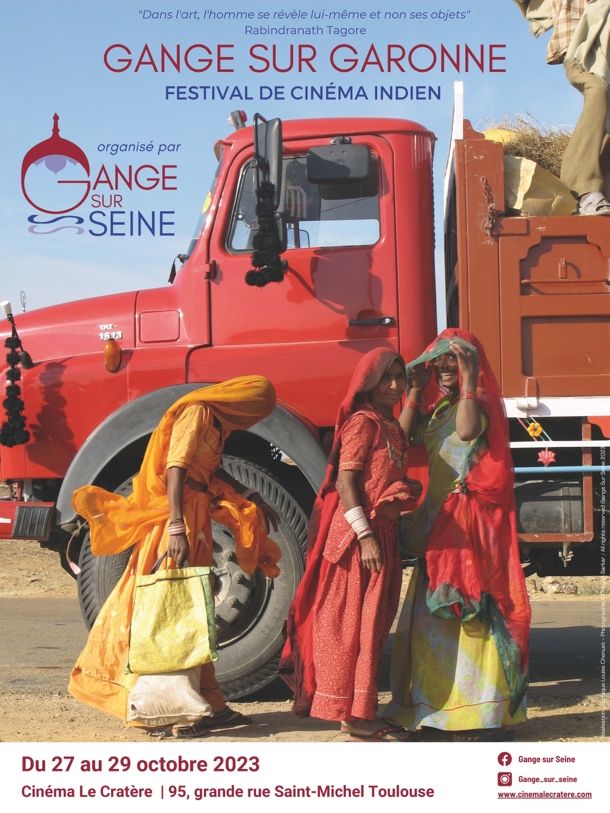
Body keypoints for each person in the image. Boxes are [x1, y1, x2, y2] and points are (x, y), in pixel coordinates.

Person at [68, 376, 280, 735]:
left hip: (195, 514)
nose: (252, 417)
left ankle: (209, 704)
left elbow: (208, 470)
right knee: (171, 613)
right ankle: (174, 713)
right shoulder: (196, 412)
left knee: (194, 610)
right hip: (176, 519)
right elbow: (175, 468)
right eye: (254, 408)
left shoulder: (216, 422)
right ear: (240, 399)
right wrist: (177, 528)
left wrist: (248, 494)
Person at [384, 329, 531, 741]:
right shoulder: (437, 409)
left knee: (465, 617)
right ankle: (435, 710)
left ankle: (474, 714)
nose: (445, 368)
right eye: (440, 361)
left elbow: (467, 434)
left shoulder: (475, 405)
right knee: (432, 620)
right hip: (437, 524)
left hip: (467, 530)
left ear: (470, 365)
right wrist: (413, 391)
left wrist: (468, 380)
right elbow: (400, 439)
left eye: (455, 360)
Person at [280, 348, 420, 741]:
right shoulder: (363, 423)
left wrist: (416, 395)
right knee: (351, 627)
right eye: (386, 378)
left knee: (372, 627)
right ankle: (354, 717)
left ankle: (359, 712)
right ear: (369, 383)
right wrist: (366, 535)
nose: (394, 385)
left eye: (400, 378)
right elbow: (345, 484)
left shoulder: (388, 425)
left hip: (381, 538)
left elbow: (403, 439)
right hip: (359, 542)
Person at [515, 0, 610, 215]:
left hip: (604, 54)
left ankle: (601, 189)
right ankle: (581, 187)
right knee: (597, 90)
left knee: (605, 114)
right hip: (578, 52)